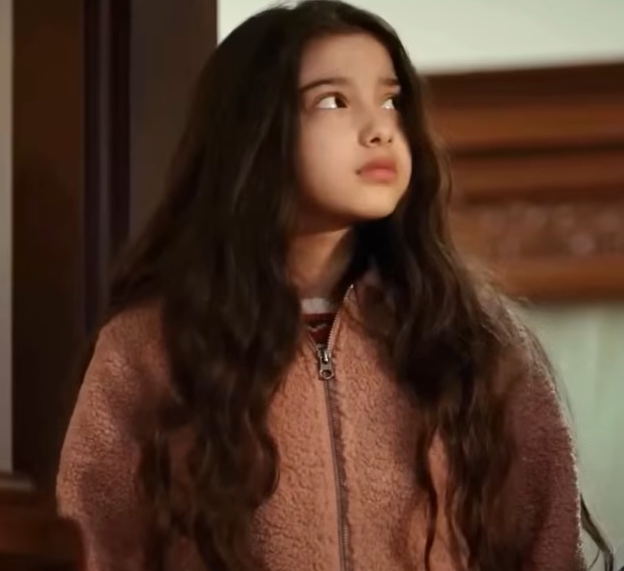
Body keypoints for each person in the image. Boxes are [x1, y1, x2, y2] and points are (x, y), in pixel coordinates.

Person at [56, 1, 614, 570]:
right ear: (254, 131)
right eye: (333, 101)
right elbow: (92, 546)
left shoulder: (476, 343)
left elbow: (549, 547)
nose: (380, 129)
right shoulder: (151, 348)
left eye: (391, 101)